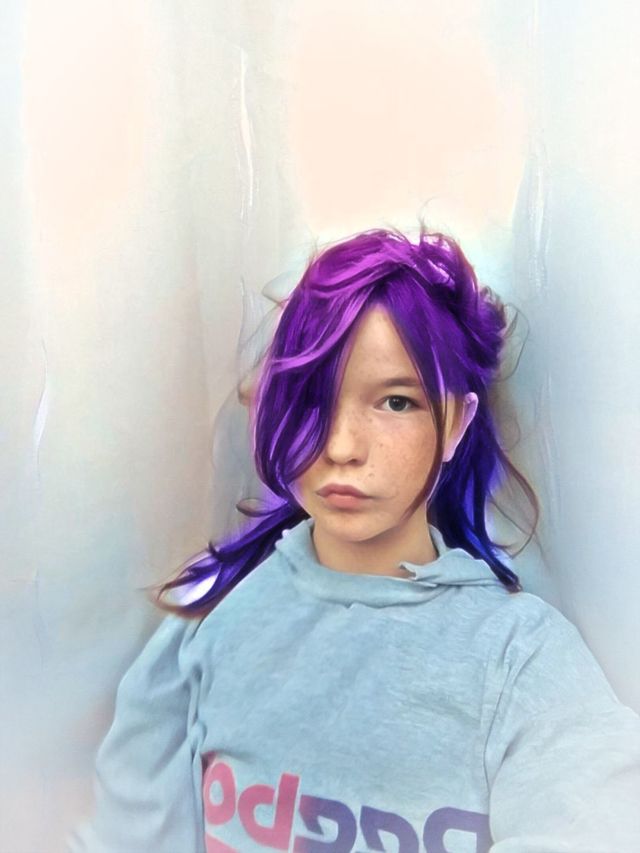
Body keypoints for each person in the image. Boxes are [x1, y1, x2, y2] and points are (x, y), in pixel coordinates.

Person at [67, 226, 640, 853]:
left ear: (457, 422)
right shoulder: (209, 619)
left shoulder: (520, 656)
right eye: (311, 399)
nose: (341, 447)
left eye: (395, 403)